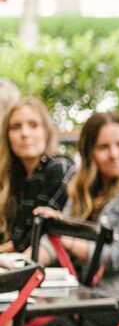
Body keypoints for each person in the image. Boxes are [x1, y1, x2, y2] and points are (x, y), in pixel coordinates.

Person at [32, 112, 119, 326]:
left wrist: (67, 239)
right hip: (78, 292)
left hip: (112, 302)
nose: (114, 154)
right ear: (89, 152)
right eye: (104, 147)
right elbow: (53, 243)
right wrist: (22, 267)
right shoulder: (84, 185)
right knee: (13, 315)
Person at [0, 97, 74, 254]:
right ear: (7, 136)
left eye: (33, 125)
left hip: (50, 269)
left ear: (46, 132)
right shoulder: (13, 175)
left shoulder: (59, 167)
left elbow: (29, 239)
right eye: (15, 127)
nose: (25, 133)